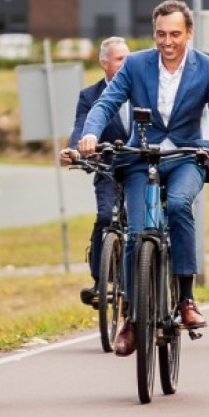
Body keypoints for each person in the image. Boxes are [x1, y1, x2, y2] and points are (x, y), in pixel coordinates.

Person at [77, 0, 209, 356]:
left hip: (185, 156)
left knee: (179, 205)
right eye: (161, 34)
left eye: (175, 34)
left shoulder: (207, 68)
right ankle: (133, 318)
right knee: (136, 234)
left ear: (189, 33)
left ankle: (185, 299)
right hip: (141, 157)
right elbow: (105, 102)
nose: (168, 42)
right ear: (154, 33)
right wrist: (90, 133)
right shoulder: (135, 64)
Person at [61, 36, 130, 308]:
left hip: (140, 164)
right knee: (105, 217)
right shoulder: (90, 96)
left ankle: (147, 273)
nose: (126, 64)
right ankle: (101, 280)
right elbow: (81, 126)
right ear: (104, 63)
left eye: (128, 58)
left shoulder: (142, 90)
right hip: (108, 168)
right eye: (120, 59)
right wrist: (74, 150)